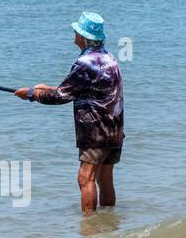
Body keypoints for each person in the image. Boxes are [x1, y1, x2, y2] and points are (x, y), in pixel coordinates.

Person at [16, 11, 124, 213]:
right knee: (105, 178)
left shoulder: (85, 63)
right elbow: (83, 89)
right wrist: (46, 88)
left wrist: (31, 94)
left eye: (76, 32)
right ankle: (109, 228)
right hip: (114, 129)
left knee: (86, 179)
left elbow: (61, 97)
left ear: (83, 37)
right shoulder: (109, 58)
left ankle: (90, 227)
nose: (74, 36)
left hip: (95, 132)